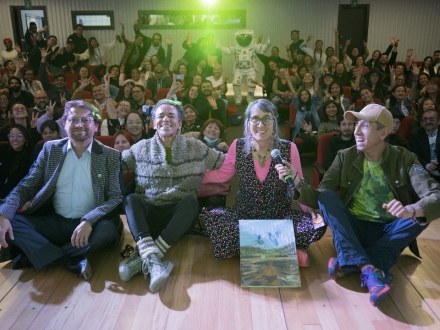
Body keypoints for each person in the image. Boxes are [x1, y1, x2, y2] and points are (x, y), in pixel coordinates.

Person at [275, 104, 440, 307]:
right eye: (356, 125)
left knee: (420, 215)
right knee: (327, 197)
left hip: (388, 230)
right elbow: (320, 197)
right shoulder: (345, 157)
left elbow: (436, 195)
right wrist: (297, 181)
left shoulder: (405, 158)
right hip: (353, 229)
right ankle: (370, 269)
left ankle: (351, 261)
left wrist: (410, 210)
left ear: (383, 132)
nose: (356, 131)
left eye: (365, 126)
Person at [0, 100, 124, 279]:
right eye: (73, 120)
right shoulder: (50, 149)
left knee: (107, 232)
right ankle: (67, 261)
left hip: (92, 223)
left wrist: (89, 221)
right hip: (55, 220)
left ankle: (37, 255)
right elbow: (27, 186)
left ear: (96, 125)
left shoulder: (110, 156)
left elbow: (115, 197)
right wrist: (4, 214)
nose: (79, 125)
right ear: (64, 124)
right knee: (12, 220)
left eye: (85, 120)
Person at [119, 99, 226, 293]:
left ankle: (146, 257)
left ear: (179, 123)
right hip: (148, 217)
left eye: (171, 116)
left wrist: (250, 150)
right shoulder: (140, 148)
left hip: (178, 220)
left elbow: (224, 163)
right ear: (152, 123)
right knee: (131, 200)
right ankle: (155, 261)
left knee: (190, 202)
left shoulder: (196, 147)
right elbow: (114, 166)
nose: (165, 119)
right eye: (160, 116)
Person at [201, 99, 325, 264]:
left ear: (274, 123)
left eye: (267, 119)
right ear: (248, 123)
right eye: (255, 119)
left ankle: (249, 246)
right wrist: (194, 176)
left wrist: (309, 209)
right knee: (213, 218)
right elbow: (222, 175)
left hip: (279, 217)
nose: (261, 124)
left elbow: (296, 187)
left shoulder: (289, 149)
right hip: (245, 216)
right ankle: (282, 249)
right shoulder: (238, 146)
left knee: (318, 224)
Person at [0, 124, 32, 199]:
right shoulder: (3, 150)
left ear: (26, 138)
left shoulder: (30, 157)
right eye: (11, 136)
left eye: (19, 136)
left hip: (14, 197)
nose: (14, 139)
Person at [410, 109, 440, 183]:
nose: (428, 122)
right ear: (421, 122)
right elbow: (413, 154)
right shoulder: (415, 134)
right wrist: (426, 165)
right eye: (425, 119)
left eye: (432, 119)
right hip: (424, 171)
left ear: (439, 121)